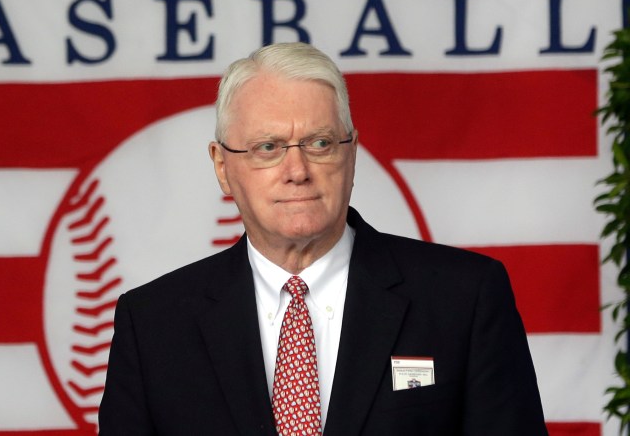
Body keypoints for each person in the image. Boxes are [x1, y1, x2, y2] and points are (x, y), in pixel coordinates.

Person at [98, 42, 547, 435]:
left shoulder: (464, 298)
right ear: (222, 166)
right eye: (268, 148)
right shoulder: (153, 325)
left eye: (320, 144)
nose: (297, 171)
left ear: (352, 154)